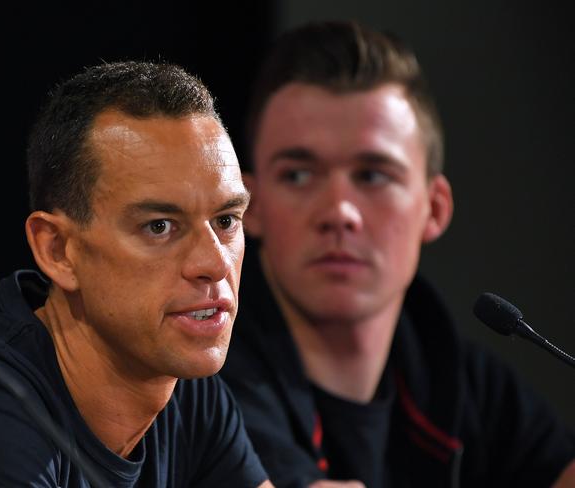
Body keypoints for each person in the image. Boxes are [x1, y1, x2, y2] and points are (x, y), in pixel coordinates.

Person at [220, 20, 575, 488]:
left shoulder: (457, 372)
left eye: (372, 176)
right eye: (299, 176)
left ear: (435, 208)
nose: (340, 212)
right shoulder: (205, 379)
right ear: (252, 206)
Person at [0, 60, 273, 488]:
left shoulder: (185, 386)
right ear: (58, 250)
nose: (215, 263)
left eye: (225, 221)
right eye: (159, 226)